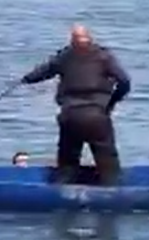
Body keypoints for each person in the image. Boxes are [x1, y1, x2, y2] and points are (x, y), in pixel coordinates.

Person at [19, 24, 131, 186]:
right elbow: (125, 82)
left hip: (70, 116)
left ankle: (61, 195)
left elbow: (44, 72)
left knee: (67, 163)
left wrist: (26, 79)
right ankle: (113, 195)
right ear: (90, 38)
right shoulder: (104, 56)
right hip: (97, 116)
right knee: (108, 164)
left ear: (72, 40)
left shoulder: (65, 56)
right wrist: (112, 102)